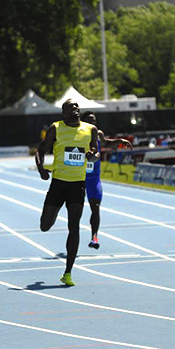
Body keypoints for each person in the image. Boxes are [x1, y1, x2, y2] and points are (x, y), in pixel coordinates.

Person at [35, 99, 99, 286]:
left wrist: (92, 156)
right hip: (58, 184)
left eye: (77, 106)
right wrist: (41, 169)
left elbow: (95, 152)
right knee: (45, 225)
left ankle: (68, 272)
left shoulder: (90, 130)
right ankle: (53, 214)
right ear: (63, 113)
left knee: (74, 227)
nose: (75, 109)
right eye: (70, 107)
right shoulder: (56, 128)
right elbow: (41, 150)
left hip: (77, 185)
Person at [81, 111, 133, 249]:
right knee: (75, 209)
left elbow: (105, 142)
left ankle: (94, 237)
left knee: (96, 208)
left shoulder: (98, 134)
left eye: (94, 121)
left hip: (93, 178)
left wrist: (119, 141)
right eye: (89, 121)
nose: (93, 124)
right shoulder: (77, 134)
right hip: (78, 177)